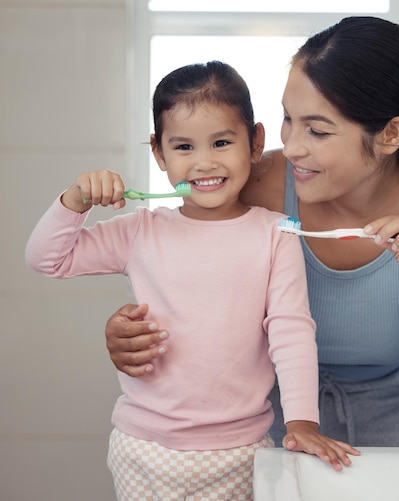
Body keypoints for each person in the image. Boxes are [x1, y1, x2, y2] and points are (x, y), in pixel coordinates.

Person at [104, 16, 399, 448]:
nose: (292, 147)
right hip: (255, 427)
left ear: (390, 134)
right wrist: (128, 334)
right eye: (289, 118)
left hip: (387, 434)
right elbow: (174, 264)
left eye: (318, 131)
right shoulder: (256, 184)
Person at [25, 61, 358, 500]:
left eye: (222, 142)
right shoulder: (139, 230)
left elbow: (291, 329)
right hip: (142, 448)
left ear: (255, 143)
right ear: (159, 153)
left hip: (241, 452)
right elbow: (47, 259)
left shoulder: (276, 234)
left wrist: (301, 422)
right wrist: (75, 201)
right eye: (183, 147)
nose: (204, 162)